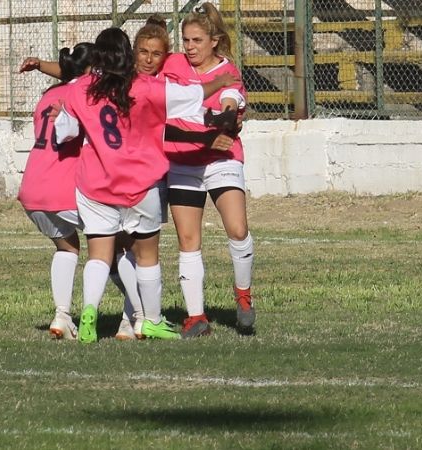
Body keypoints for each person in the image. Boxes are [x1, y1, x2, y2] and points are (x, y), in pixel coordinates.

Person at [54, 27, 234, 344]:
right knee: (147, 255)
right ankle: (150, 321)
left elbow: (63, 132)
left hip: (96, 184)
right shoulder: (146, 87)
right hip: (141, 184)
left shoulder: (80, 88)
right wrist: (221, 81)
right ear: (129, 54)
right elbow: (192, 95)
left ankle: (89, 314)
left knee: (98, 254)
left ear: (98, 57)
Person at [160, 2, 254, 337]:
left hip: (220, 160)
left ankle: (243, 297)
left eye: (197, 40)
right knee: (188, 239)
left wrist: (226, 118)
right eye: (186, 40)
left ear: (214, 41)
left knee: (237, 229)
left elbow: (230, 103)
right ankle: (196, 317)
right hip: (182, 162)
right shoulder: (172, 64)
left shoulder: (228, 72)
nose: (189, 47)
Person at [17, 43, 96, 340]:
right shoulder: (86, 93)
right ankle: (135, 317)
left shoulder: (49, 94)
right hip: (63, 188)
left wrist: (40, 64)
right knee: (115, 245)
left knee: (68, 247)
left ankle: (62, 316)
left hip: (32, 188)